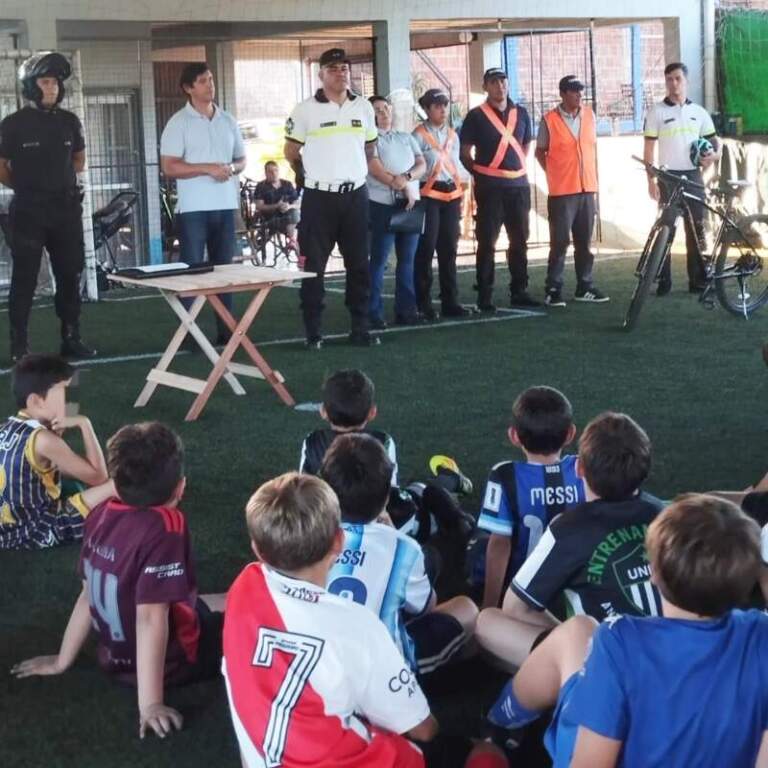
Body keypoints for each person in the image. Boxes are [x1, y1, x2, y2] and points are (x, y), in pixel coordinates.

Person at [486, 495, 768, 768]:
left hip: (602, 743)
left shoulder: (620, 641)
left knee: (576, 632)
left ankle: (499, 727)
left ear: (653, 573)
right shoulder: (760, 634)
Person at [12, 422, 226, 740]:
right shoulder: (167, 526)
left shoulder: (99, 513)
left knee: (220, 599)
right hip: (171, 663)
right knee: (252, 609)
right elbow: (151, 617)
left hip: (111, 657)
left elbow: (88, 594)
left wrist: (62, 659)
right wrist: (150, 704)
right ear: (180, 488)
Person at [222, 471, 438, 767]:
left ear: (257, 550)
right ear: (339, 542)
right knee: (478, 752)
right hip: (352, 757)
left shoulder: (244, 587)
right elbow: (422, 728)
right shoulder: (357, 625)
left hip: (265, 755)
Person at [476, 412, 664, 668]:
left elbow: (514, 607)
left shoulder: (568, 527)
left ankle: (545, 690)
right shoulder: (669, 515)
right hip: (675, 653)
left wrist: (568, 637)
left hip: (606, 665)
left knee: (488, 621)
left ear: (578, 468)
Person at [320, 433, 479, 676]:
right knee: (466, 608)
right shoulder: (403, 547)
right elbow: (426, 607)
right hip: (385, 677)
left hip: (321, 666)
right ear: (387, 494)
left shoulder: (308, 539)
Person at [0, 52, 96, 362]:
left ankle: (71, 337)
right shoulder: (13, 124)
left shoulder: (70, 121)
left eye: (55, 82)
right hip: (28, 210)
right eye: (45, 81)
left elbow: (78, 160)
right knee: (25, 277)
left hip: (65, 209)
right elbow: (1, 166)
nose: (52, 87)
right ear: (31, 86)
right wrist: (26, 185)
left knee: (70, 273)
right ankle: (19, 346)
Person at [284, 48, 379, 349]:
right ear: (321, 74)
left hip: (355, 197)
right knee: (314, 267)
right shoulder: (305, 109)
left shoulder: (363, 107)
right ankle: (313, 332)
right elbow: (290, 151)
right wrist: (307, 174)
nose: (341, 73)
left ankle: (360, 328)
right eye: (334, 68)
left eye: (345, 68)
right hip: (319, 199)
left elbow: (369, 148)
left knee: (359, 265)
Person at [160, 62, 246, 346]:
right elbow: (169, 167)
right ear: (188, 88)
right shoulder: (178, 123)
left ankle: (226, 331)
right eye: (202, 81)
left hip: (225, 205)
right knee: (192, 272)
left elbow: (241, 160)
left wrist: (230, 170)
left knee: (224, 271)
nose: (210, 85)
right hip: (193, 209)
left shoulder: (228, 120)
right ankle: (190, 334)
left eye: (210, 79)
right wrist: (208, 168)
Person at [476, 386, 585, 610]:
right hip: (573, 587)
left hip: (520, 591)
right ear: (570, 434)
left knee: (477, 544)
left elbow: (499, 545)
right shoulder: (583, 469)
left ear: (514, 436)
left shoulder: (504, 475)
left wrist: (490, 606)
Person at [0, 354, 113, 550]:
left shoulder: (5, 428)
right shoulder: (44, 440)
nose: (68, 401)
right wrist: (84, 423)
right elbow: (99, 477)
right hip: (36, 531)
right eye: (63, 393)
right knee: (115, 485)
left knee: (70, 479)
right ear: (36, 401)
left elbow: (39, 469)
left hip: (7, 530)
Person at [460, 68, 539, 311]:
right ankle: (485, 294)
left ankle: (520, 290)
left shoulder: (522, 113)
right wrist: (482, 174)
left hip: (518, 187)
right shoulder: (475, 116)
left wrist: (512, 171)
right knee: (487, 242)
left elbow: (525, 146)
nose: (500, 86)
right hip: (490, 189)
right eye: (494, 82)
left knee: (520, 240)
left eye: (503, 81)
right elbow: (464, 153)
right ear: (486, 87)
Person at [643, 62, 721, 295]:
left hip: (694, 177)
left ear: (686, 81)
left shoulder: (699, 112)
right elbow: (648, 149)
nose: (673, 83)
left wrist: (713, 156)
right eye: (669, 79)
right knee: (666, 228)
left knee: (697, 228)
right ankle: (663, 281)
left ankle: (697, 281)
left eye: (677, 78)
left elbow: (715, 142)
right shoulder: (656, 111)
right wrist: (650, 180)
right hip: (668, 177)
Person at [535, 75, 609, 306]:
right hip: (562, 191)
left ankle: (584, 285)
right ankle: (553, 289)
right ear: (563, 94)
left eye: (580, 90)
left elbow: (591, 148)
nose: (579, 94)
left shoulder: (589, 115)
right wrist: (555, 173)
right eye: (573, 90)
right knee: (559, 242)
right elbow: (540, 152)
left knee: (584, 242)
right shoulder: (549, 120)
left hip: (587, 188)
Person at [366, 95, 427, 327]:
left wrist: (407, 178)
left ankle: (406, 310)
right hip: (383, 204)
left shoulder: (406, 137)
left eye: (386, 108)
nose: (384, 113)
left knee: (408, 260)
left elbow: (421, 164)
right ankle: (373, 313)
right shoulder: (370, 140)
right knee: (379, 260)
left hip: (410, 204)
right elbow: (375, 168)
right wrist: (399, 184)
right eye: (378, 110)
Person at [413, 89, 471, 320]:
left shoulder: (452, 135)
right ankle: (423, 303)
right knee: (426, 250)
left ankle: (451, 301)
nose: (443, 110)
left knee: (449, 250)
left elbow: (455, 164)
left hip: (450, 195)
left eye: (444, 106)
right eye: (437, 106)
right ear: (426, 110)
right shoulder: (417, 135)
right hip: (428, 196)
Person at [298, 368, 398, 482]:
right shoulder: (384, 441)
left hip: (324, 499)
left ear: (323, 411)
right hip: (371, 500)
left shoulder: (312, 440)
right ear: (372, 413)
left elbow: (303, 486)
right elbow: (391, 488)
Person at [253, 160, 300, 240]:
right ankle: (293, 241)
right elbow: (259, 206)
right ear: (266, 173)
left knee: (295, 213)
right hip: (270, 218)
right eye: (270, 171)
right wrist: (277, 206)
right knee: (294, 217)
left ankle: (293, 241)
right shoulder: (261, 186)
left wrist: (289, 206)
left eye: (276, 170)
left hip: (288, 214)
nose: (274, 173)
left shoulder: (287, 184)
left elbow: (297, 203)